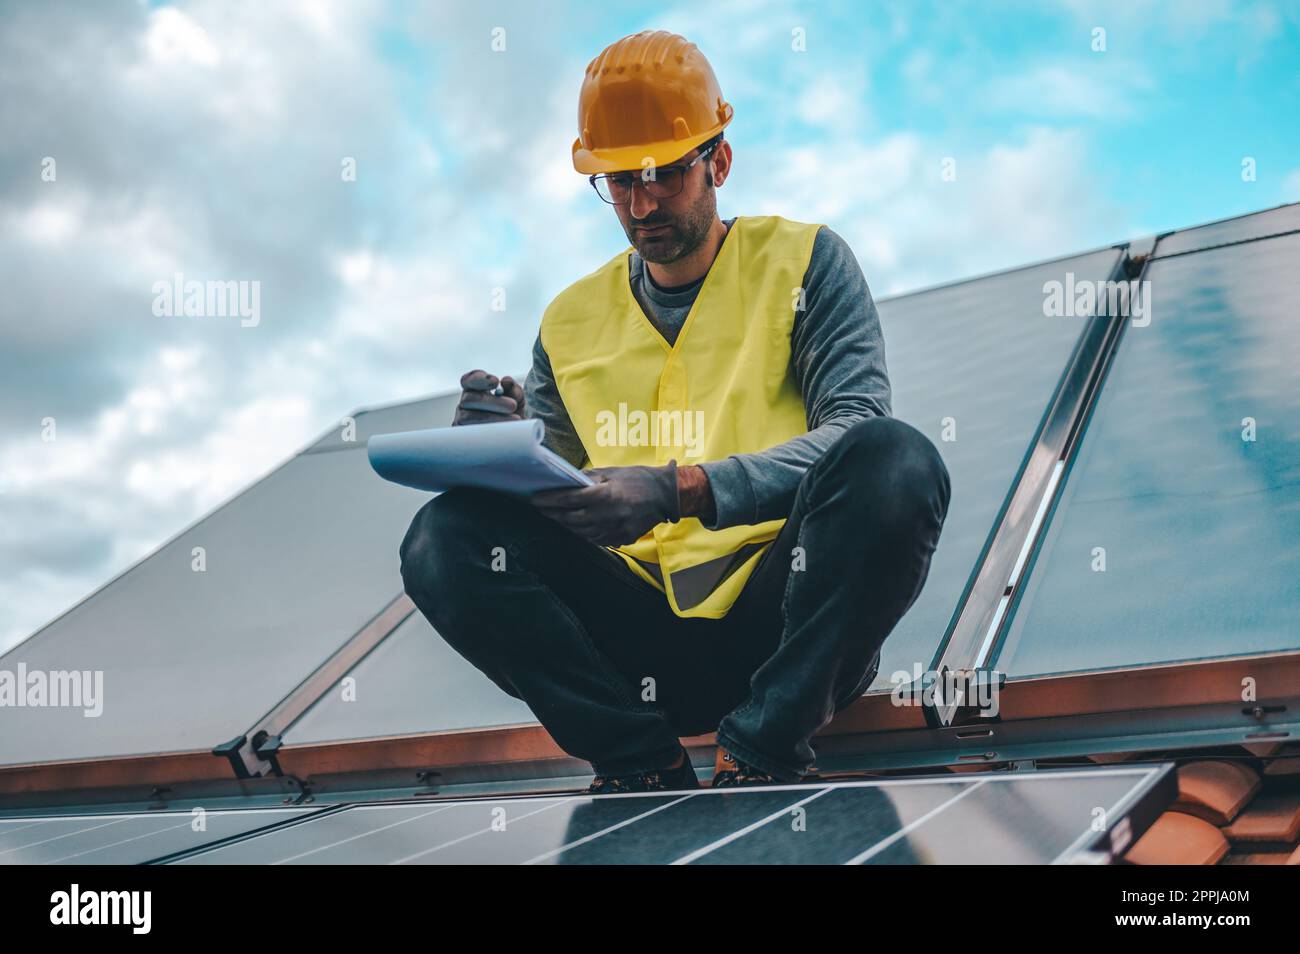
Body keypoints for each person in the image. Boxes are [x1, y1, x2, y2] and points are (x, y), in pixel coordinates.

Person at [400, 30, 951, 793]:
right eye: (619, 180)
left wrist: (681, 488)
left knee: (896, 459)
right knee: (444, 537)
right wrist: (495, 455)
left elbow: (853, 429)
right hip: (640, 644)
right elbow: (548, 498)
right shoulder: (569, 320)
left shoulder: (805, 264)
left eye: (664, 172)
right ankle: (638, 765)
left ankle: (762, 750)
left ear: (719, 161)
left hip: (786, 627)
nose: (642, 200)